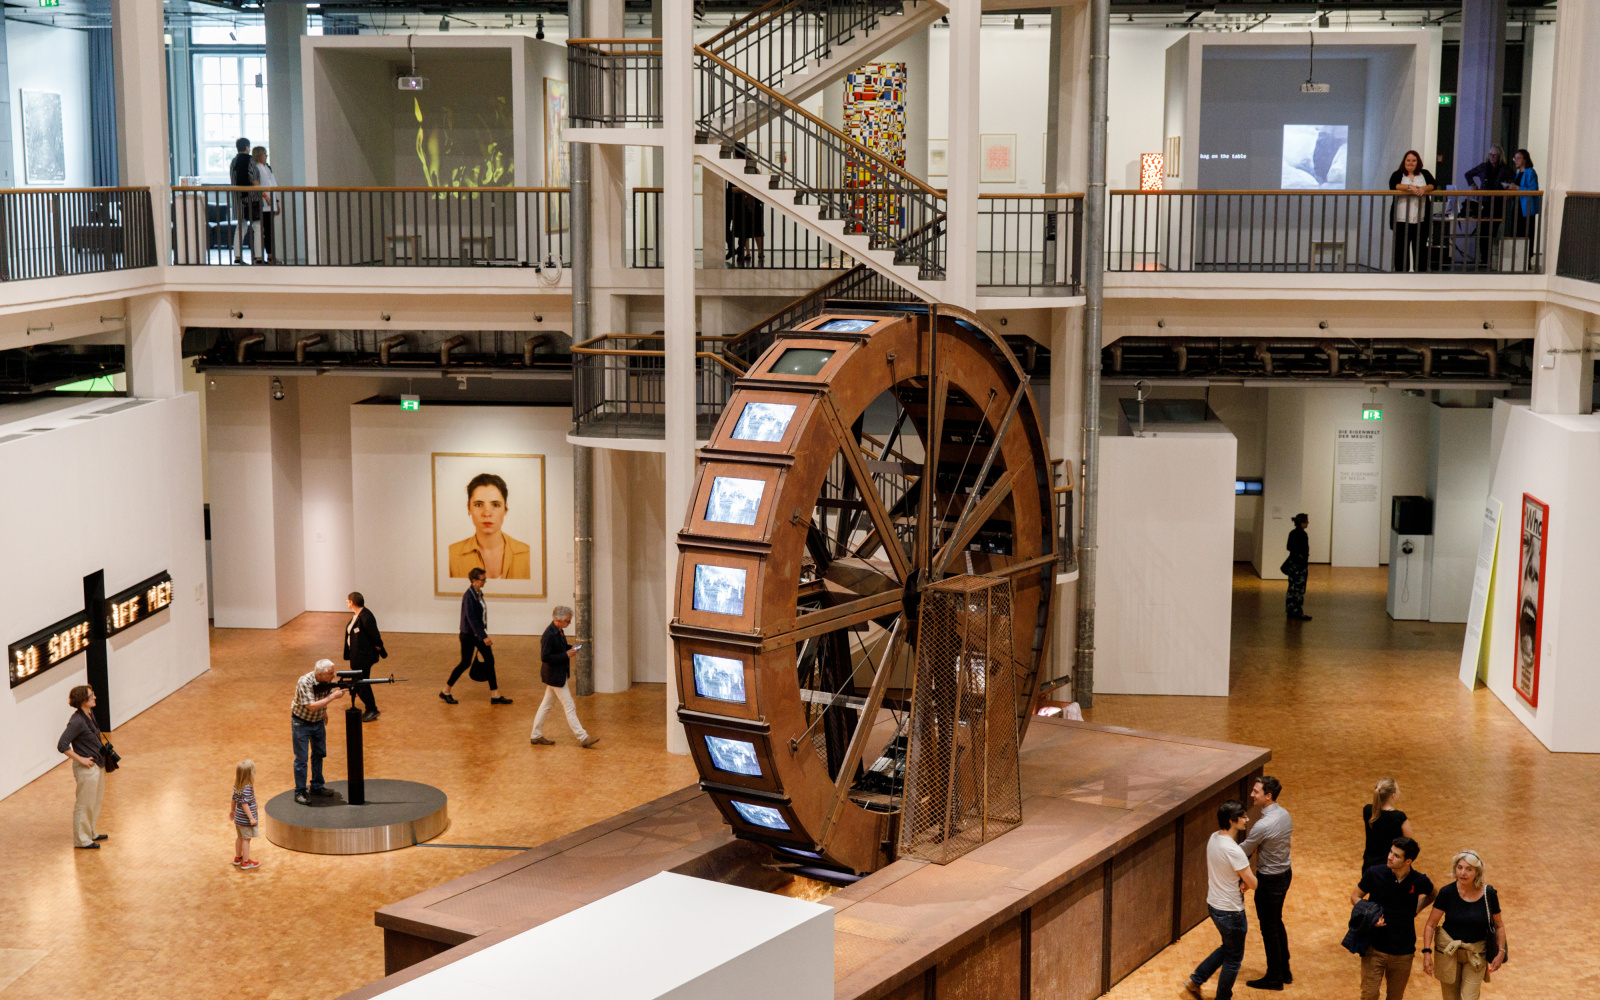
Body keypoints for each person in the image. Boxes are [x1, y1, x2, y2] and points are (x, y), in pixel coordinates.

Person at [1182, 800, 1255, 1000]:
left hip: (1214, 906)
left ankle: (1195, 980)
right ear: (1233, 821)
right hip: (1231, 912)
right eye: (1243, 817)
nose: (1247, 820)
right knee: (1233, 958)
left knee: (1228, 948)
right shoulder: (1234, 850)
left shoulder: (1214, 838)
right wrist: (1250, 881)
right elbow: (1254, 883)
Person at [1353, 836, 1436, 1000]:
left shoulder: (1419, 880)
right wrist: (1370, 915)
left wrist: (1415, 910)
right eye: (1391, 852)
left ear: (1408, 861)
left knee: (1395, 997)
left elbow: (1433, 893)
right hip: (1374, 949)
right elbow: (1355, 897)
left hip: (1403, 953)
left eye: (1396, 855)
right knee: (1369, 995)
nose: (1390, 857)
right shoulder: (1374, 873)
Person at [1422, 851, 1506, 1000]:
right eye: (1459, 867)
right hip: (1448, 954)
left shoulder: (1489, 894)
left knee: (1469, 997)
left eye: (1469, 869)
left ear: (1477, 872)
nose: (1463, 873)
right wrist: (1426, 953)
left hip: (1475, 953)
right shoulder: (1446, 892)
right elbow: (1431, 924)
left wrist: (1501, 952)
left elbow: (1499, 925)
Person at [1240, 776, 1293, 989]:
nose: (1252, 795)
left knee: (1269, 928)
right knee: (1276, 922)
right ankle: (1284, 971)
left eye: (1256, 791)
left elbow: (1243, 850)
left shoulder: (1262, 825)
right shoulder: (1285, 815)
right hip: (1285, 874)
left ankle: (1274, 978)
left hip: (1269, 881)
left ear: (1268, 796)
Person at [530, 605, 599, 749]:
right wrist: (566, 654)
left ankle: (535, 735)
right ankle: (583, 737)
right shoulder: (549, 635)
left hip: (556, 675)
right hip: (555, 676)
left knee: (546, 705)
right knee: (569, 706)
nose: (569, 623)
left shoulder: (559, 631)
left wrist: (569, 647)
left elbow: (559, 648)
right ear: (558, 620)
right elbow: (545, 657)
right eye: (568, 620)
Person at [440, 568, 512, 705]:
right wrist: (484, 637)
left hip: (477, 635)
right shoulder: (469, 596)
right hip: (468, 635)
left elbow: (480, 616)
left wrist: (482, 634)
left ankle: (495, 695)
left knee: (489, 661)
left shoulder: (478, 593)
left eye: (485, 579)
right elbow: (472, 619)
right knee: (465, 663)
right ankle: (445, 691)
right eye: (482, 579)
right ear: (474, 581)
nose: (485, 581)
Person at [447, 473, 532, 580]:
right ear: (469, 508)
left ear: (505, 509)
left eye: (495, 505)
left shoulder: (528, 554)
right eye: (478, 504)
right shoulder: (451, 555)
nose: (487, 513)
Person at [57, 685, 109, 850]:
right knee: (84, 803)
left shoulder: (89, 714)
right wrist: (81, 759)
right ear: (83, 701)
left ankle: (91, 832)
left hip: (97, 764)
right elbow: (62, 744)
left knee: (95, 801)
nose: (95, 697)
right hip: (87, 768)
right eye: (91, 696)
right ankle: (82, 840)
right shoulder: (76, 721)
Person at [291, 658, 344, 805]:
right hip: (301, 722)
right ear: (320, 675)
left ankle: (317, 786)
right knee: (301, 759)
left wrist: (324, 712)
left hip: (318, 722)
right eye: (330, 673)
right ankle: (300, 791)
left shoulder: (325, 681)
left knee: (319, 754)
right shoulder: (304, 682)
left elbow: (321, 699)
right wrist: (332, 697)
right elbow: (312, 706)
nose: (334, 676)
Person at [1463, 146, 1514, 271]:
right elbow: (1468, 174)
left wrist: (1509, 191)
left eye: (1495, 155)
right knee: (1482, 232)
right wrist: (1474, 187)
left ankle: (1491, 260)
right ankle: (1484, 259)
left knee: (1493, 231)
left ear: (1500, 156)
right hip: (1484, 202)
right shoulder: (1483, 166)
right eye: (1490, 155)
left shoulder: (1504, 168)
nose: (1492, 157)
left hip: (1497, 202)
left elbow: (1515, 179)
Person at [343, 591, 387, 723]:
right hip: (357, 656)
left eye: (348, 601)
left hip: (363, 657)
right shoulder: (357, 615)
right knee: (362, 682)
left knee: (360, 683)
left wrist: (381, 651)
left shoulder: (366, 617)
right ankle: (371, 708)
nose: (347, 602)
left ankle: (372, 709)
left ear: (352, 602)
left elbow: (376, 638)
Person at [1389, 150, 1436, 273]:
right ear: (1404, 161)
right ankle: (1401, 275)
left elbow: (1433, 184)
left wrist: (1424, 188)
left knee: (1420, 249)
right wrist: (1410, 187)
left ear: (1418, 162)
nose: (1411, 163)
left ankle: (1420, 275)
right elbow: (1393, 185)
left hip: (1420, 219)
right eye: (1408, 160)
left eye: (1414, 160)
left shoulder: (1424, 173)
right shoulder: (1398, 174)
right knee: (1401, 249)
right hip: (1401, 219)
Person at [1364, 777, 1417, 872]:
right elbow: (1410, 845)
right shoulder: (1399, 817)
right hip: (1389, 869)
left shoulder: (1368, 810)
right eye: (1398, 789)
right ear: (1393, 795)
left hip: (1369, 867)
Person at [229, 137, 263, 265]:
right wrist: (263, 192)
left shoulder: (233, 161)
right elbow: (253, 178)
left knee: (240, 227)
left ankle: (237, 256)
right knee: (258, 226)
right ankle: (259, 257)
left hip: (237, 199)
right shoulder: (250, 160)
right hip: (251, 199)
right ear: (247, 147)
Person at [230, 760, 261, 871]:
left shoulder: (237, 786)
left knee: (240, 837)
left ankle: (238, 858)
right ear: (250, 774)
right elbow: (245, 804)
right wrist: (251, 817)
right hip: (245, 819)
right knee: (246, 839)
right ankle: (246, 862)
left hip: (238, 818)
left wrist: (232, 811)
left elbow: (233, 800)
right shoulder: (247, 788)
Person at [251, 146, 279, 264]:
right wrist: (265, 197)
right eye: (264, 154)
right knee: (261, 229)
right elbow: (257, 185)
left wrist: (276, 202)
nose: (266, 156)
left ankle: (270, 255)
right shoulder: (256, 168)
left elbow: (272, 184)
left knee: (269, 230)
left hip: (270, 201)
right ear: (259, 155)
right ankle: (258, 255)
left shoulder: (267, 167)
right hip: (262, 202)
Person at [1283, 513, 1311, 621]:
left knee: (1292, 588)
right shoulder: (1303, 535)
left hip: (1292, 565)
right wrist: (1301, 557)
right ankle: (1298, 612)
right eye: (1307, 521)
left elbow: (1289, 547)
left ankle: (1290, 610)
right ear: (1302, 522)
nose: (1308, 523)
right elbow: (1303, 550)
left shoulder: (1292, 533)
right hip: (1300, 567)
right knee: (1299, 590)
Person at [1510, 149, 1540, 240]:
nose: (1516, 160)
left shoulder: (1530, 172)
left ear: (1525, 159)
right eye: (1515, 158)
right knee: (1516, 233)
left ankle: (1526, 253)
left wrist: (1517, 188)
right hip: (1517, 206)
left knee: (1524, 233)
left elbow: (1534, 189)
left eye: (1518, 158)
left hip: (1525, 208)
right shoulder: (1519, 173)